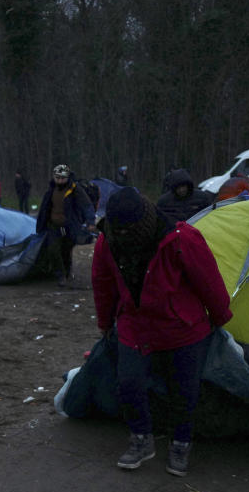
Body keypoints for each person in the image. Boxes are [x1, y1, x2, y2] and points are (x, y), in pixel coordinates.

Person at [91, 187, 231, 477]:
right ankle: (141, 439)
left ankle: (181, 442)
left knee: (184, 390)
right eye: (118, 230)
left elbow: (209, 282)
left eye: (129, 230)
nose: (124, 235)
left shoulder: (181, 239)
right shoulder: (108, 242)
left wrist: (220, 317)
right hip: (135, 326)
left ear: (141, 223)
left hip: (182, 328)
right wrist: (105, 323)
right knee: (128, 384)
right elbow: (103, 283)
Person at [36, 164, 96, 286]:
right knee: (53, 249)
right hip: (54, 225)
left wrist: (90, 221)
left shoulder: (75, 189)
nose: (60, 180)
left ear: (67, 178)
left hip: (70, 226)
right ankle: (60, 275)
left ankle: (67, 273)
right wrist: (41, 223)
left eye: (62, 178)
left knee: (66, 250)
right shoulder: (51, 189)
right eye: (57, 178)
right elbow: (45, 207)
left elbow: (86, 205)